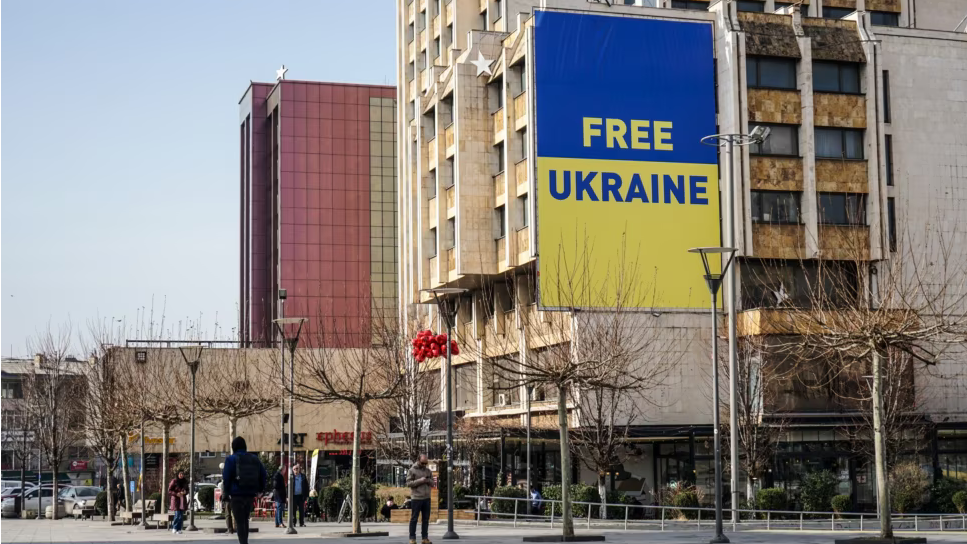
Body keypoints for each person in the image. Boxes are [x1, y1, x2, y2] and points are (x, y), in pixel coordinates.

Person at [222, 436, 267, 544]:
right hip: (250, 494)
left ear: (234, 447)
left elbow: (226, 478)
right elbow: (263, 474)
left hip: (236, 494)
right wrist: (260, 489)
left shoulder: (231, 459)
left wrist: (226, 493)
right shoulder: (254, 459)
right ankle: (244, 541)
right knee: (245, 520)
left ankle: (243, 542)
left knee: (240, 522)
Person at [405, 454, 434, 544]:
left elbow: (433, 483)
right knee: (414, 518)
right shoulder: (412, 470)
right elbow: (408, 483)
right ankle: (412, 538)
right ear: (418, 460)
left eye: (426, 463)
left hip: (426, 498)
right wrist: (420, 481)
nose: (424, 465)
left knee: (426, 519)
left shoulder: (428, 471)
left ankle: (425, 538)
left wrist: (428, 480)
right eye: (422, 463)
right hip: (416, 498)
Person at [218, 463, 234, 534]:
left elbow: (224, 490)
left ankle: (230, 529)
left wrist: (223, 498)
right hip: (235, 498)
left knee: (228, 515)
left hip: (228, 499)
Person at [272, 464, 287, 528]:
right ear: (282, 469)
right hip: (279, 495)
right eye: (285, 469)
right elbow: (275, 485)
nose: (285, 471)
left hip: (279, 495)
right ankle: (280, 523)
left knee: (278, 509)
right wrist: (282, 486)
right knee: (279, 509)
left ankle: (277, 523)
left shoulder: (279, 475)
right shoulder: (278, 475)